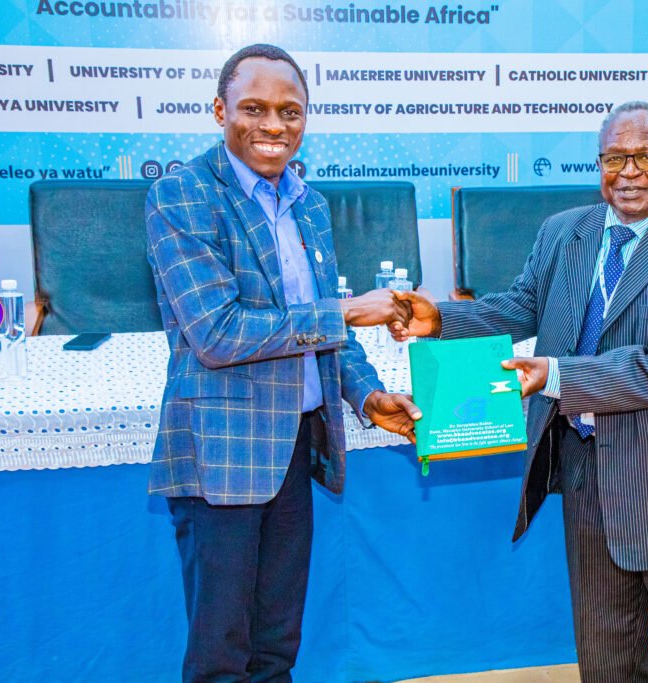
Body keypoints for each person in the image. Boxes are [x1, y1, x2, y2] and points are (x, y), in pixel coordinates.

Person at [394, 101, 648, 681]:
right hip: (587, 475)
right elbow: (522, 307)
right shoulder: (565, 232)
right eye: (614, 158)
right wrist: (438, 320)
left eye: (646, 156)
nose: (629, 172)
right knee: (606, 663)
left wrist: (556, 376)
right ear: (599, 163)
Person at [145, 44, 420, 682]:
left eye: (290, 111)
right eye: (255, 108)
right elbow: (217, 333)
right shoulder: (181, 196)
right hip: (223, 452)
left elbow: (323, 332)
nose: (274, 125)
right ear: (220, 111)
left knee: (276, 646)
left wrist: (368, 395)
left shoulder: (309, 204)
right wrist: (346, 311)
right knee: (221, 655)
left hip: (295, 445)